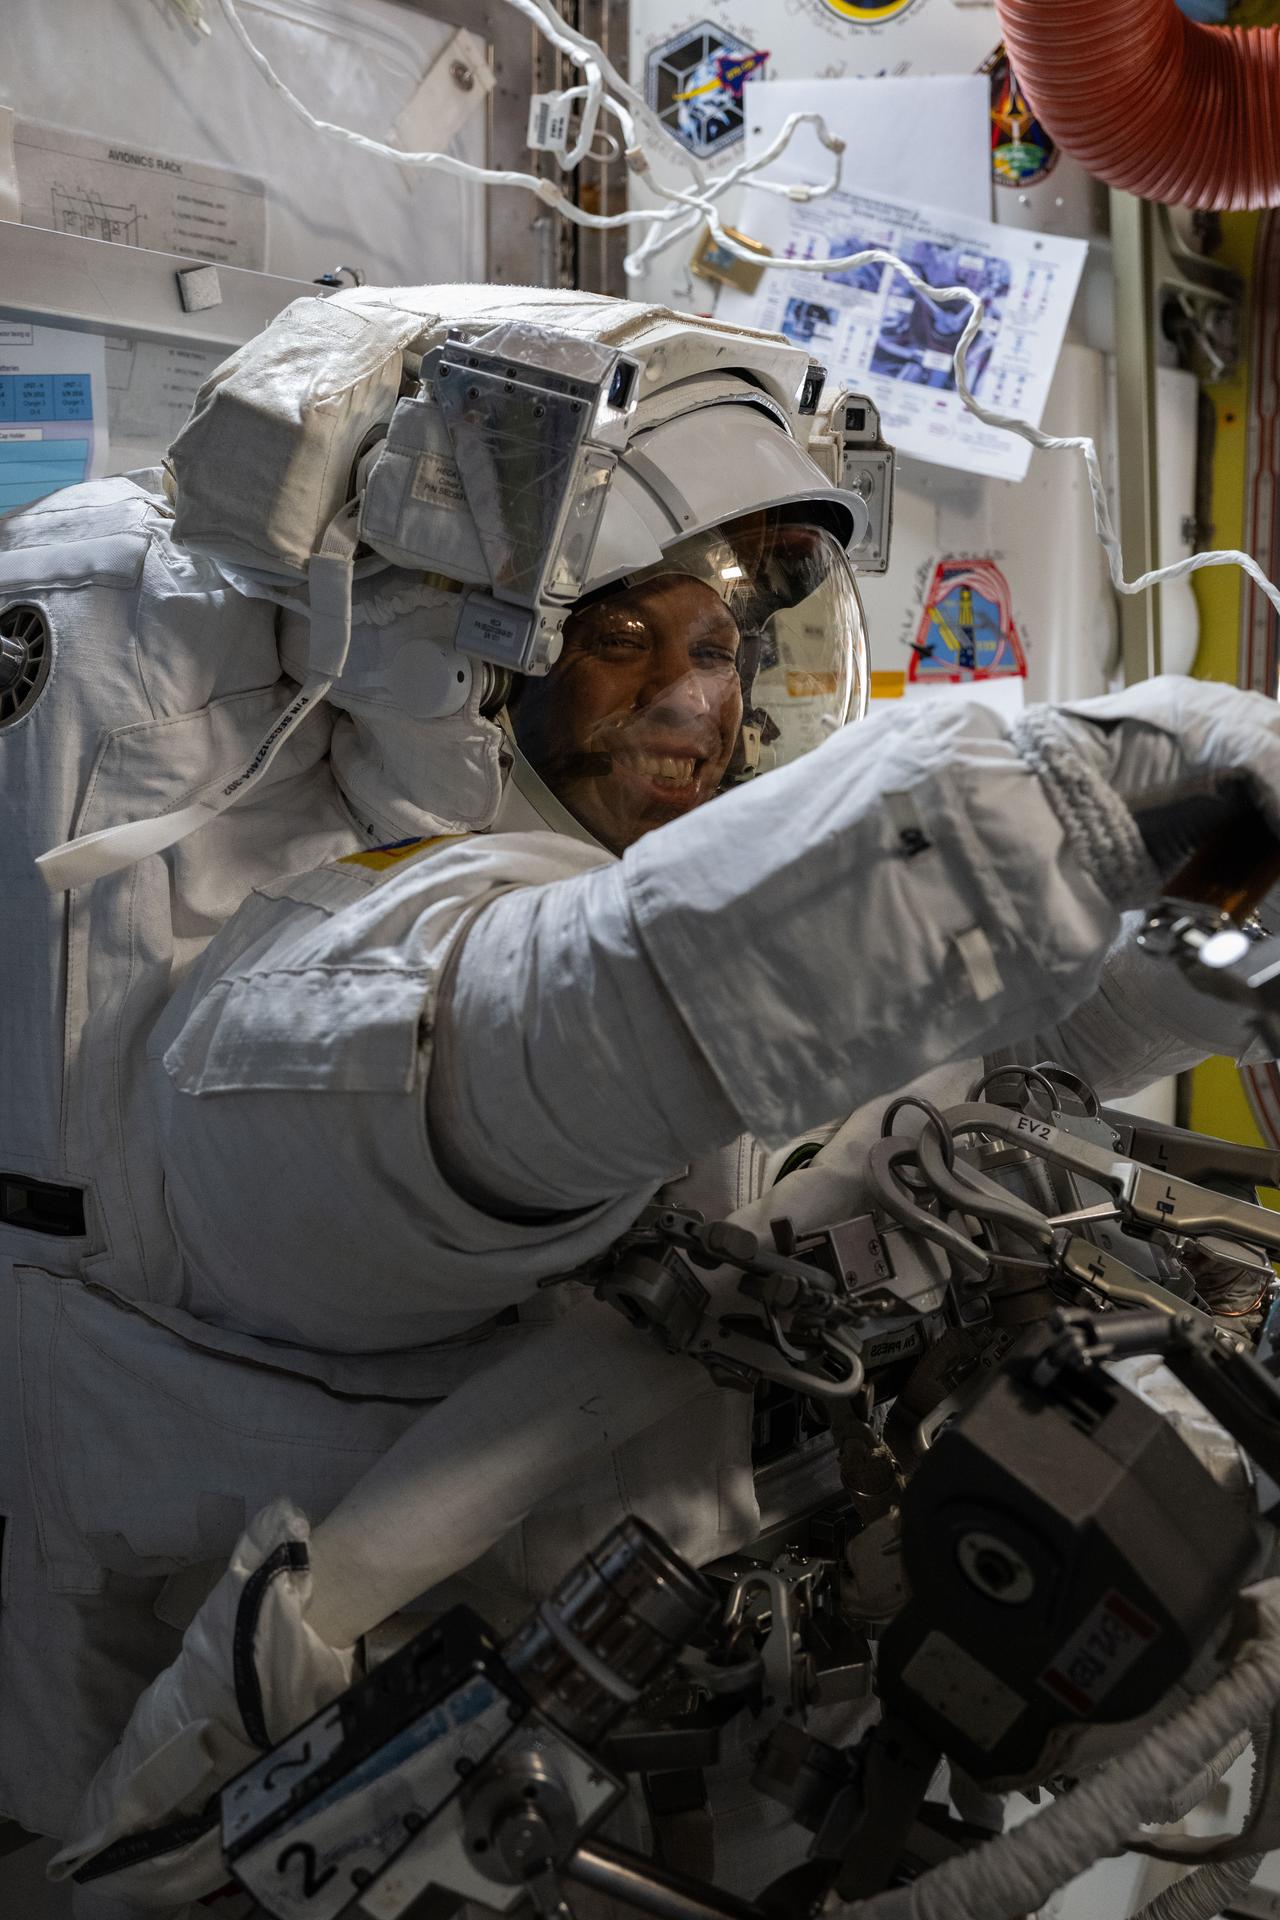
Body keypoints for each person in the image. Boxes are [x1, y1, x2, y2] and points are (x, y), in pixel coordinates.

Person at [4, 284, 1280, 1916]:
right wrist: (1069, 800)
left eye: (722, 643)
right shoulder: (334, 988)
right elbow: (582, 1025)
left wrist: (1186, 961)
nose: (695, 702)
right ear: (468, 660)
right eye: (622, 636)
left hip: (712, 1776)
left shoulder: (635, 903)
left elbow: (915, 1113)